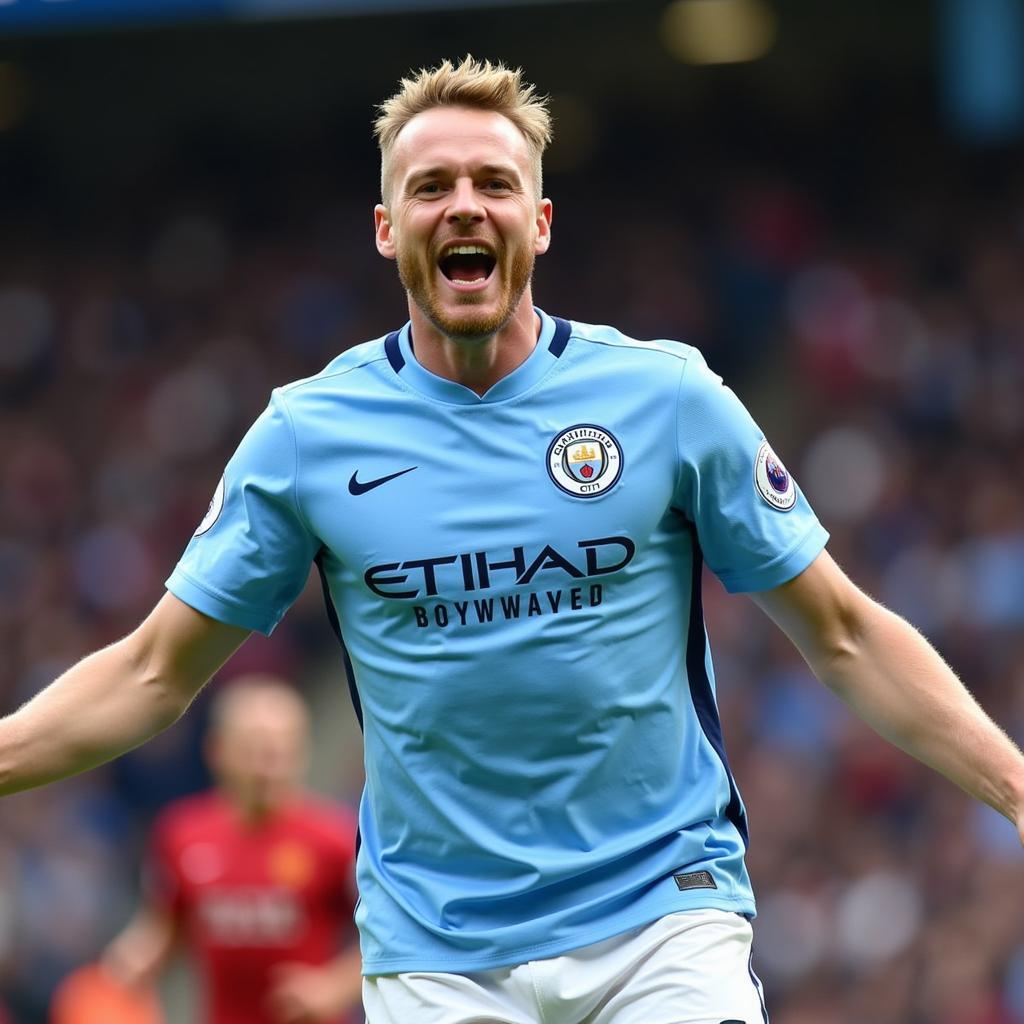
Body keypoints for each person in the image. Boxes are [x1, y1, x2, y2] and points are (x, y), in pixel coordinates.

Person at [2, 54, 1023, 1022]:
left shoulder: (663, 397)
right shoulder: (306, 437)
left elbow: (841, 632)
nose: (462, 205)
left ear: (537, 222)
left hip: (660, 917)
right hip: (437, 950)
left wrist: (1014, 789)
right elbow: (150, 673)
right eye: (431, 184)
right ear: (384, 226)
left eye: (492, 182)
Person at [102, 675, 362, 1024]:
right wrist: (133, 959)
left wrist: (333, 987)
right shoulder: (182, 834)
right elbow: (167, 921)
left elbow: (387, 938)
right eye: (256, 750)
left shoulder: (336, 839)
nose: (269, 766)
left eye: (283, 751)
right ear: (218, 750)